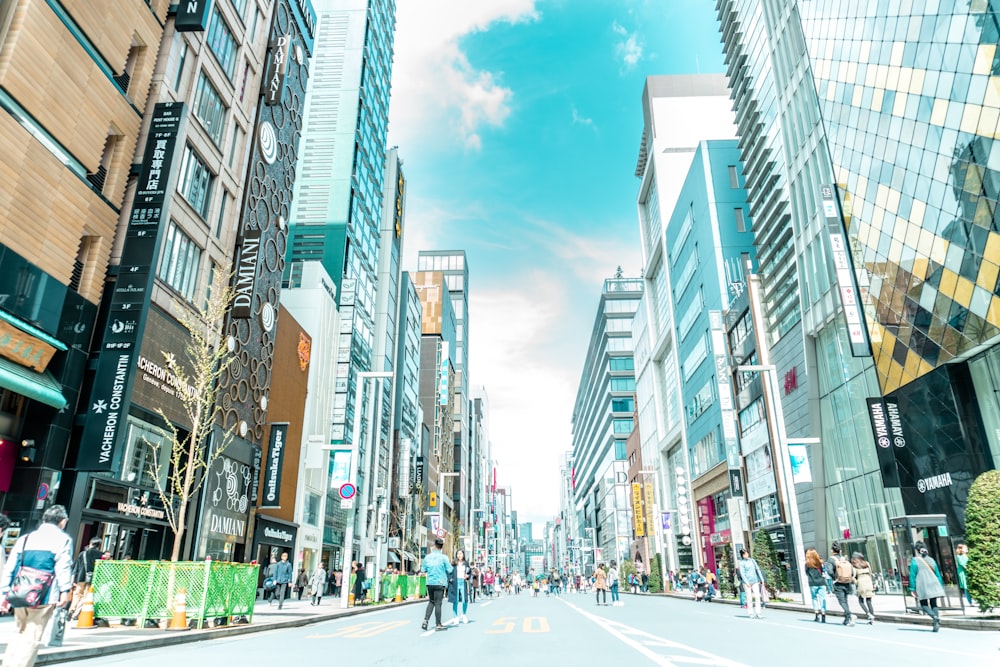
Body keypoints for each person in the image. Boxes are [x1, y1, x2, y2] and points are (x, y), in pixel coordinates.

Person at [0, 505, 74, 667]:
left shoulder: (25, 539)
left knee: (18, 631)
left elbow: (10, 567)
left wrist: (4, 593)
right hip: (44, 595)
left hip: (20, 592)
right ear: (62, 522)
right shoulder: (63, 540)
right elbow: (63, 566)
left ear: (44, 520)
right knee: (32, 635)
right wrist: (65, 590)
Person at [909, 541, 945, 632]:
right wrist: (940, 585)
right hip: (934, 584)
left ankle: (934, 617)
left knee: (923, 604)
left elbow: (912, 575)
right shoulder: (932, 560)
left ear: (917, 550)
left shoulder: (915, 560)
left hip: (922, 585)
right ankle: (936, 621)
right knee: (934, 603)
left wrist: (912, 588)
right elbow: (937, 574)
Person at [421, 537, 452, 631]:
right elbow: (450, 569)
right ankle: (438, 624)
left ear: (434, 545)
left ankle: (425, 621)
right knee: (438, 603)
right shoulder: (444, 558)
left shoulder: (427, 557)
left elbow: (423, 569)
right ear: (442, 547)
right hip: (440, 582)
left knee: (431, 601)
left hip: (430, 582)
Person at [69, 537, 102, 619]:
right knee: (85, 596)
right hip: (92, 579)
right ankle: (76, 614)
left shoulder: (82, 553)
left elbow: (76, 568)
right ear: (99, 545)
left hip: (80, 577)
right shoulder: (101, 555)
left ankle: (72, 609)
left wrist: (73, 579)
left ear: (90, 543)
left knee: (77, 595)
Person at [825, 542, 856, 626]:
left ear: (832, 550)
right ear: (840, 550)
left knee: (842, 601)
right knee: (845, 601)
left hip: (838, 583)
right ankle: (846, 619)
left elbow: (829, 571)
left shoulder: (831, 559)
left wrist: (834, 577)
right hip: (847, 582)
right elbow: (852, 571)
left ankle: (850, 615)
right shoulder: (844, 559)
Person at [737, 547, 766, 619]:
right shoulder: (742, 563)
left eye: (747, 553)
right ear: (742, 555)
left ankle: (758, 612)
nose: (746, 554)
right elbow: (742, 574)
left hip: (755, 581)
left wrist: (762, 579)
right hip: (747, 583)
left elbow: (757, 570)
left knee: (757, 596)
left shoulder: (752, 560)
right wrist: (746, 582)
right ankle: (750, 613)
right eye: (744, 554)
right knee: (749, 598)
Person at [447, 549, 471, 624]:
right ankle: (455, 617)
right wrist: (450, 579)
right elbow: (448, 572)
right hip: (455, 583)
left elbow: (469, 572)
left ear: (463, 555)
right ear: (456, 555)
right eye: (458, 554)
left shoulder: (466, 564)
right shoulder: (453, 564)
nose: (459, 555)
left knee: (465, 600)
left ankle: (464, 615)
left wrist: (468, 575)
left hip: (463, 582)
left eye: (461, 553)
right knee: (455, 600)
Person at [805, 548, 827, 623]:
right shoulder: (819, 563)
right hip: (821, 582)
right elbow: (822, 571)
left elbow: (807, 573)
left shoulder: (807, 564)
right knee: (822, 598)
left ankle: (817, 614)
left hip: (813, 583)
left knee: (814, 598)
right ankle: (823, 614)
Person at [852, 552, 875, 624]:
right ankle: (872, 619)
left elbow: (853, 576)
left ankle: (868, 614)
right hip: (868, 581)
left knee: (861, 601)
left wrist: (856, 582)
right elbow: (870, 573)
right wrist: (871, 582)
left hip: (861, 582)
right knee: (869, 601)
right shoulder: (867, 563)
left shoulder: (855, 566)